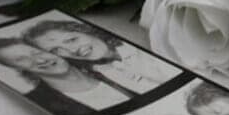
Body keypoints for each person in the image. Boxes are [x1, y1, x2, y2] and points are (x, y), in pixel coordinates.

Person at [0, 38, 132, 115]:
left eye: (36, 52)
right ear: (15, 68)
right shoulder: (41, 104)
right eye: (22, 60)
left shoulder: (109, 68)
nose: (40, 60)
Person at [23, 20, 180, 93]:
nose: (73, 50)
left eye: (71, 39)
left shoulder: (140, 45)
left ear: (84, 31)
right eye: (56, 50)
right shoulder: (102, 73)